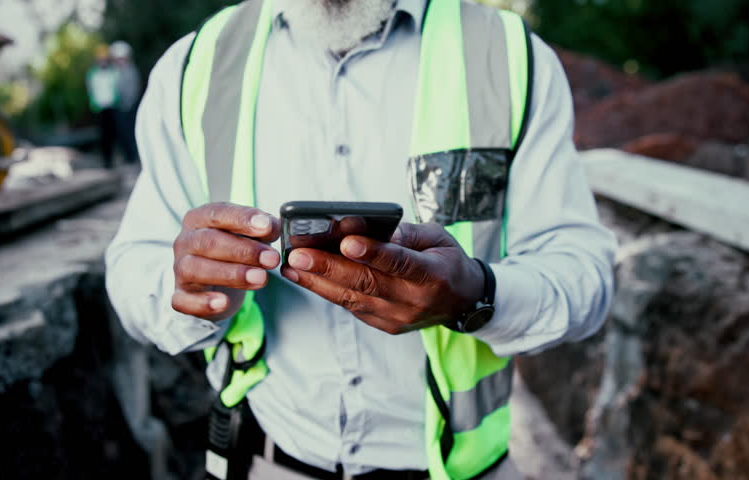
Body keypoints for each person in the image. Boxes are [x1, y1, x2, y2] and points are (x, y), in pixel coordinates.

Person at [106, 0, 617, 478]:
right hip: (261, 460)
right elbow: (135, 269)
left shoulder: (508, 55)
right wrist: (194, 291)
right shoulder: (196, 65)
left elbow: (584, 272)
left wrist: (477, 294)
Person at [86, 44, 120, 168]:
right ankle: (107, 162)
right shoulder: (92, 74)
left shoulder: (112, 72)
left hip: (112, 107)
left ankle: (116, 159)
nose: (103, 61)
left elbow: (116, 89)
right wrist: (94, 104)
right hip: (99, 109)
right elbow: (91, 90)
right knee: (103, 136)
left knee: (113, 134)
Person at [109, 40, 141, 165]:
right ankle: (127, 157)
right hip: (119, 108)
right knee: (122, 134)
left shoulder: (131, 71)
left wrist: (128, 103)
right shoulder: (113, 73)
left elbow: (134, 89)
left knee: (132, 132)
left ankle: (134, 156)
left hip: (130, 107)